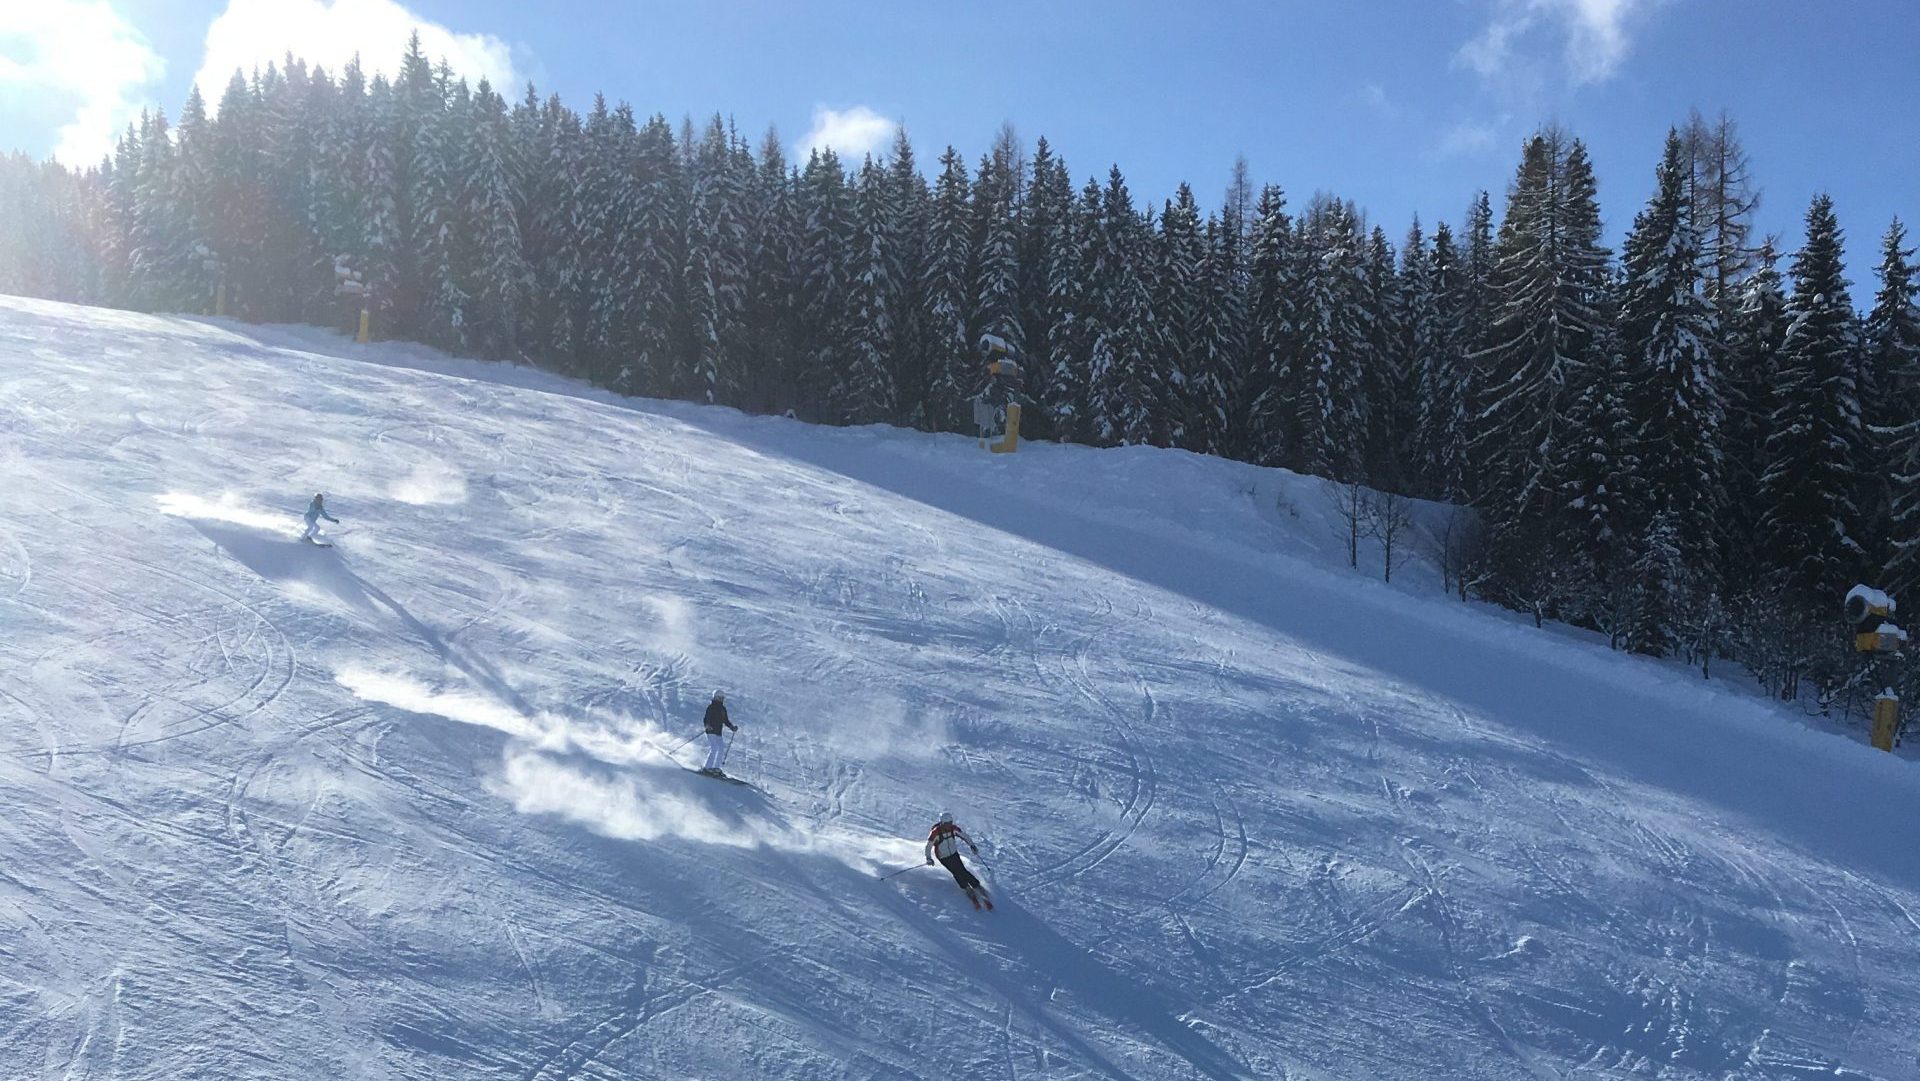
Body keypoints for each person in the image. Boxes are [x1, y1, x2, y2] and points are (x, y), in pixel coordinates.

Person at [925, 811, 991, 909]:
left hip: (953, 853)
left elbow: (964, 836)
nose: (948, 826)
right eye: (947, 824)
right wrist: (928, 858)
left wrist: (972, 845)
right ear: (942, 823)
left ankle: (976, 885)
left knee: (962, 869)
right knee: (956, 872)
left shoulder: (953, 829)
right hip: (943, 857)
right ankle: (966, 887)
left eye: (950, 823)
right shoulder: (935, 832)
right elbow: (928, 846)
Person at [699, 691, 737, 775]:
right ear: (715, 697)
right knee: (714, 748)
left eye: (722, 698)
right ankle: (707, 767)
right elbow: (706, 718)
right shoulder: (711, 707)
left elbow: (725, 720)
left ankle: (716, 768)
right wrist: (707, 725)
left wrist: (732, 727)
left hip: (718, 732)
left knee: (721, 749)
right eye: (720, 698)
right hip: (711, 730)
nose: (721, 699)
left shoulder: (723, 709)